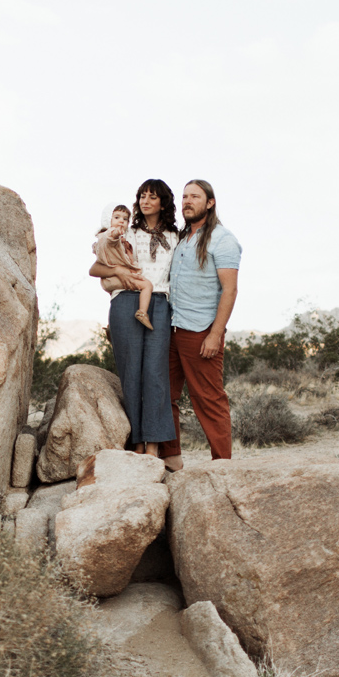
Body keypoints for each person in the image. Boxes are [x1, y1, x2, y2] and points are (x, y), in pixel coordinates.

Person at [89, 180, 180, 458]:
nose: (145, 201)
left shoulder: (176, 236)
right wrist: (121, 272)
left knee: (155, 373)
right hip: (126, 300)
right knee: (131, 374)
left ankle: (153, 446)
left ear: (163, 202)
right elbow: (95, 267)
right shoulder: (127, 230)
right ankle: (135, 445)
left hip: (160, 303)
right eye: (142, 196)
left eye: (152, 197)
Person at [159, 180, 241, 465]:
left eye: (195, 196)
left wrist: (215, 335)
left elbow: (230, 290)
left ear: (210, 203)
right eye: (184, 196)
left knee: (208, 398)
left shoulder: (223, 239)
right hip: (172, 329)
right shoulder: (181, 239)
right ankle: (172, 460)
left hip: (201, 330)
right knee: (164, 395)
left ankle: (222, 463)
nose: (187, 201)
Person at [92, 203, 155, 330]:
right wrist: (115, 233)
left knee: (115, 299)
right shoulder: (109, 235)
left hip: (110, 280)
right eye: (117, 217)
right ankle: (142, 312)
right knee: (147, 285)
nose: (121, 221)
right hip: (115, 278)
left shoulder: (110, 239)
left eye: (125, 219)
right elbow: (111, 238)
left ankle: (111, 326)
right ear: (108, 219)